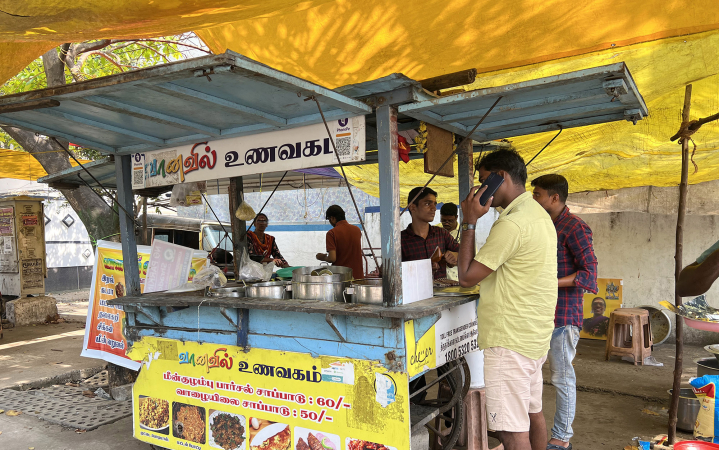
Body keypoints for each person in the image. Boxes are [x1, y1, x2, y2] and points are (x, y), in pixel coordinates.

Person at [456, 149, 557, 450]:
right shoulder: (538, 214)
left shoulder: (512, 223)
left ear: (501, 177)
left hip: (510, 341)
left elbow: (466, 277)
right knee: (532, 413)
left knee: (511, 432)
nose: (480, 188)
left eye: (484, 180)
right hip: (533, 337)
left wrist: (469, 221)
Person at [532, 174, 598, 450]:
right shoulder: (544, 225)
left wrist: (551, 282)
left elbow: (589, 274)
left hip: (563, 315)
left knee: (561, 377)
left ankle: (561, 438)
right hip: (540, 314)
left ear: (554, 197)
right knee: (533, 375)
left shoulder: (575, 227)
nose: (534, 199)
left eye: (538, 194)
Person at [401, 186, 459, 280]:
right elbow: (390, 271)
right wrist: (422, 268)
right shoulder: (400, 240)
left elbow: (466, 254)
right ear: (413, 207)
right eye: (428, 204)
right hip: (413, 288)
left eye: (435, 204)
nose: (434, 208)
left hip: (441, 289)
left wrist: (456, 256)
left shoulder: (442, 234)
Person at [316, 205, 364, 279]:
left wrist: (322, 257)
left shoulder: (331, 233)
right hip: (358, 276)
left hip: (342, 278)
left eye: (329, 220)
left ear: (333, 218)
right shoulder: (357, 230)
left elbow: (332, 258)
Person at [436, 203, 461, 281]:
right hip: (439, 278)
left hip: (456, 278)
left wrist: (456, 259)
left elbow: (472, 257)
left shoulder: (464, 234)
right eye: (443, 220)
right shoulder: (435, 231)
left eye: (450, 221)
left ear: (456, 217)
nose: (446, 223)